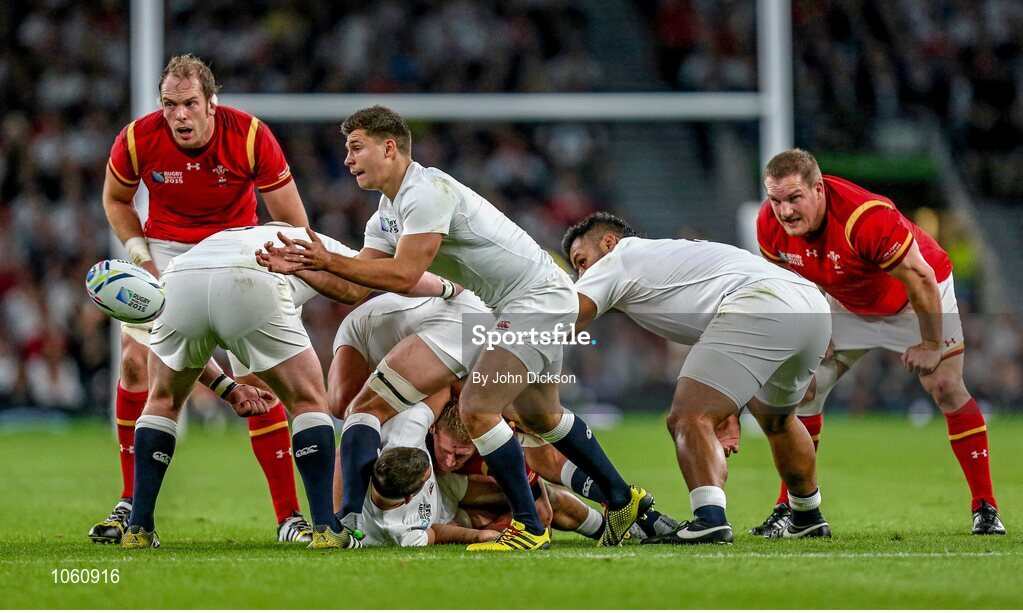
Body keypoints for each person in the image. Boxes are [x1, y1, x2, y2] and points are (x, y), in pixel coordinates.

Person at [259, 105, 647, 551]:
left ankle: (530, 526)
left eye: (355, 147)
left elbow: (405, 276)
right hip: (522, 302)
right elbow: (351, 288)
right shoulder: (387, 214)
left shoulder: (427, 191)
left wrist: (329, 257)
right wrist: (305, 267)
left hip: (534, 300)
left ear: (389, 148)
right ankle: (624, 498)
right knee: (543, 417)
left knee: (478, 409)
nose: (347, 160)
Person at [94, 54, 312, 544]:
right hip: (167, 251)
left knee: (257, 376)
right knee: (135, 363)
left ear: (212, 103)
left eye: (190, 103)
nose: (180, 115)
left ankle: (289, 518)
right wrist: (140, 255)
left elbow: (294, 223)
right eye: (170, 104)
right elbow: (115, 198)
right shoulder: (136, 139)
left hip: (238, 245)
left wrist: (287, 279)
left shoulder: (251, 136)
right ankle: (130, 505)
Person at [755, 148, 1004, 536]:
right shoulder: (769, 225)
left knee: (944, 386)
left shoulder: (865, 217)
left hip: (915, 297)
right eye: (776, 200)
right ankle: (791, 509)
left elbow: (920, 279)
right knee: (803, 392)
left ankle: (985, 507)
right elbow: (784, 284)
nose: (783, 211)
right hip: (845, 301)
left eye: (793, 198)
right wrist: (812, 326)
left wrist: (931, 344)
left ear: (818, 190)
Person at [564, 212, 833, 543]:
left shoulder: (617, 258)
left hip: (761, 301)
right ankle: (807, 515)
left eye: (582, 261)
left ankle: (710, 520)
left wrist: (511, 357)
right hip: (810, 305)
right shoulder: (661, 258)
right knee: (777, 419)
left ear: (608, 242)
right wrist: (728, 409)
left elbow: (566, 318)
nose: (581, 274)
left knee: (688, 417)